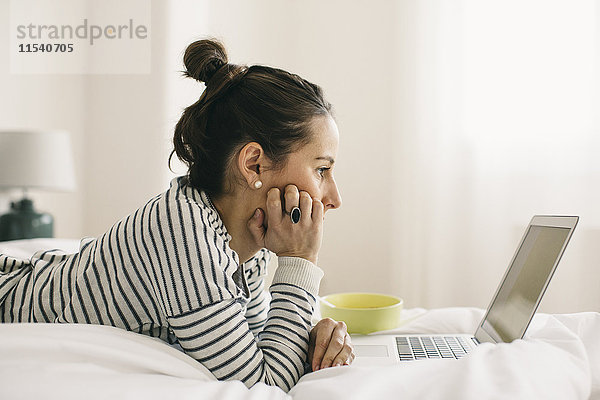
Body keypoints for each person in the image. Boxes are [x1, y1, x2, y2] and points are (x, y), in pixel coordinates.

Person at [0, 38, 353, 391]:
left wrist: (311, 336)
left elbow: (258, 341)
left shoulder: (246, 235)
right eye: (322, 170)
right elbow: (266, 384)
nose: (334, 198)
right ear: (254, 164)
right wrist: (300, 260)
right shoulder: (185, 237)